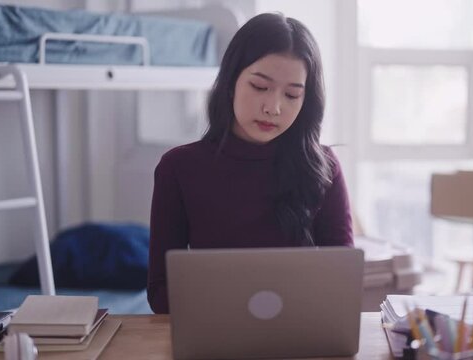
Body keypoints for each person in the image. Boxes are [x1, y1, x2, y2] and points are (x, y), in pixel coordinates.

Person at [147, 12, 353, 314]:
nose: (273, 108)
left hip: (302, 335)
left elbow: (342, 280)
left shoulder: (324, 167)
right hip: (213, 333)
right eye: (259, 87)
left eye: (292, 94)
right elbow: (160, 290)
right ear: (231, 82)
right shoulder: (178, 168)